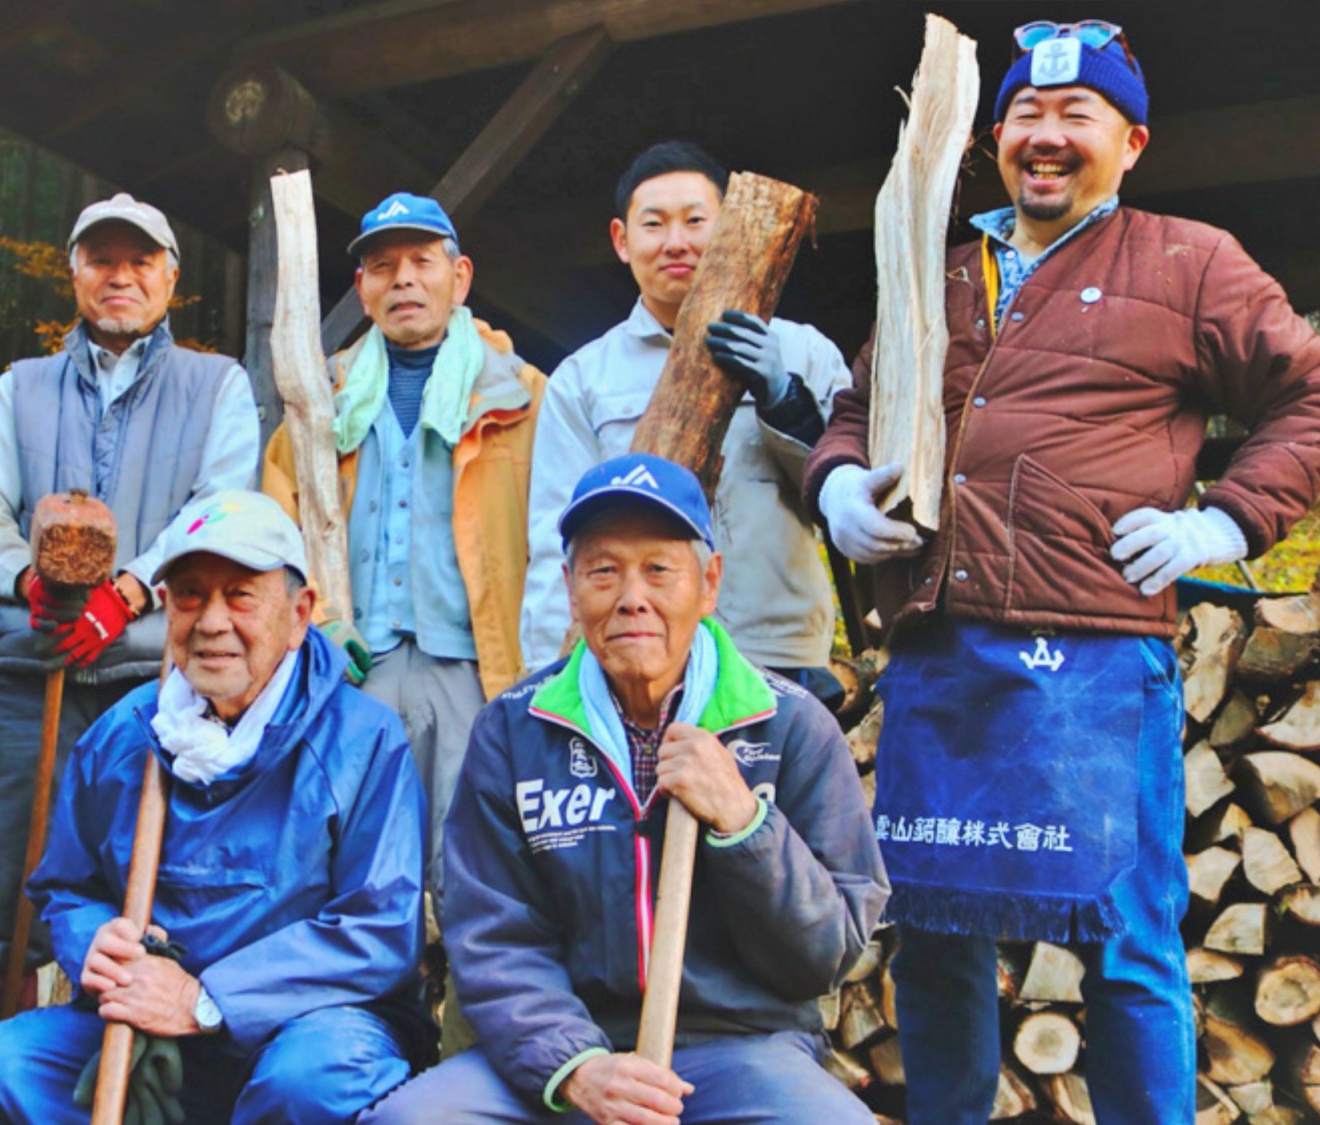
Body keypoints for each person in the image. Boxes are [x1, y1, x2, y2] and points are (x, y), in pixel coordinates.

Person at [803, 21, 1320, 1122]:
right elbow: (855, 410)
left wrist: (1224, 523)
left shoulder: (1188, 260)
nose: (1046, 136)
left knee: (1126, 942)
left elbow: (1312, 395)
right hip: (938, 648)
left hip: (1091, 650)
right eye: (1025, 117)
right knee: (937, 929)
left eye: (1075, 115)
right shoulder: (936, 270)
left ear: (1130, 141)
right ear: (993, 135)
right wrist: (836, 486)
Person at [363, 453, 886, 1125]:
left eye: (659, 569)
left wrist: (743, 822)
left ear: (710, 582)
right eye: (604, 570)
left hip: (739, 1051)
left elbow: (826, 951)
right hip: (559, 1050)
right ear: (571, 588)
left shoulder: (790, 727)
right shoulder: (515, 731)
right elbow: (493, 935)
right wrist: (577, 1066)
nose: (631, 595)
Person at [0, 490, 429, 1124]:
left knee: (314, 1081)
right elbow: (66, 886)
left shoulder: (363, 738)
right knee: (0, 1068)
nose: (211, 621)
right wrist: (95, 939)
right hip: (146, 1028)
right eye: (190, 595)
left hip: (303, 1027)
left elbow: (378, 929)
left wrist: (210, 1000)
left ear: (299, 613)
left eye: (240, 595)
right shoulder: (124, 736)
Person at [0, 192, 262, 990]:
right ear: (75, 272)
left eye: (139, 261)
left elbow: (216, 507)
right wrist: (27, 577)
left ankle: (121, 1054)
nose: (120, 276)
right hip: (32, 672)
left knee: (150, 882)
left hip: (159, 683)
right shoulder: (19, 388)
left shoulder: (217, 387)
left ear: (169, 276)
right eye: (102, 260)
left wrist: (127, 593)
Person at [264, 191, 544, 877]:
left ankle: (466, 987)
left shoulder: (525, 395)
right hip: (357, 666)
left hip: (479, 668)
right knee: (356, 858)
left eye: (423, 261)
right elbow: (274, 527)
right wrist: (320, 622)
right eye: (383, 267)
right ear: (362, 290)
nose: (405, 280)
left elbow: (557, 536)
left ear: (461, 277)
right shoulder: (318, 397)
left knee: (477, 865)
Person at [519, 142, 852, 703]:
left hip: (777, 656)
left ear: (730, 229)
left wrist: (782, 395)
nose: (676, 242)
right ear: (622, 242)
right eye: (654, 224)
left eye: (696, 221)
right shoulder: (582, 379)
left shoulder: (803, 352)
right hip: (636, 662)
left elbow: (843, 504)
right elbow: (557, 536)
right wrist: (547, 677)